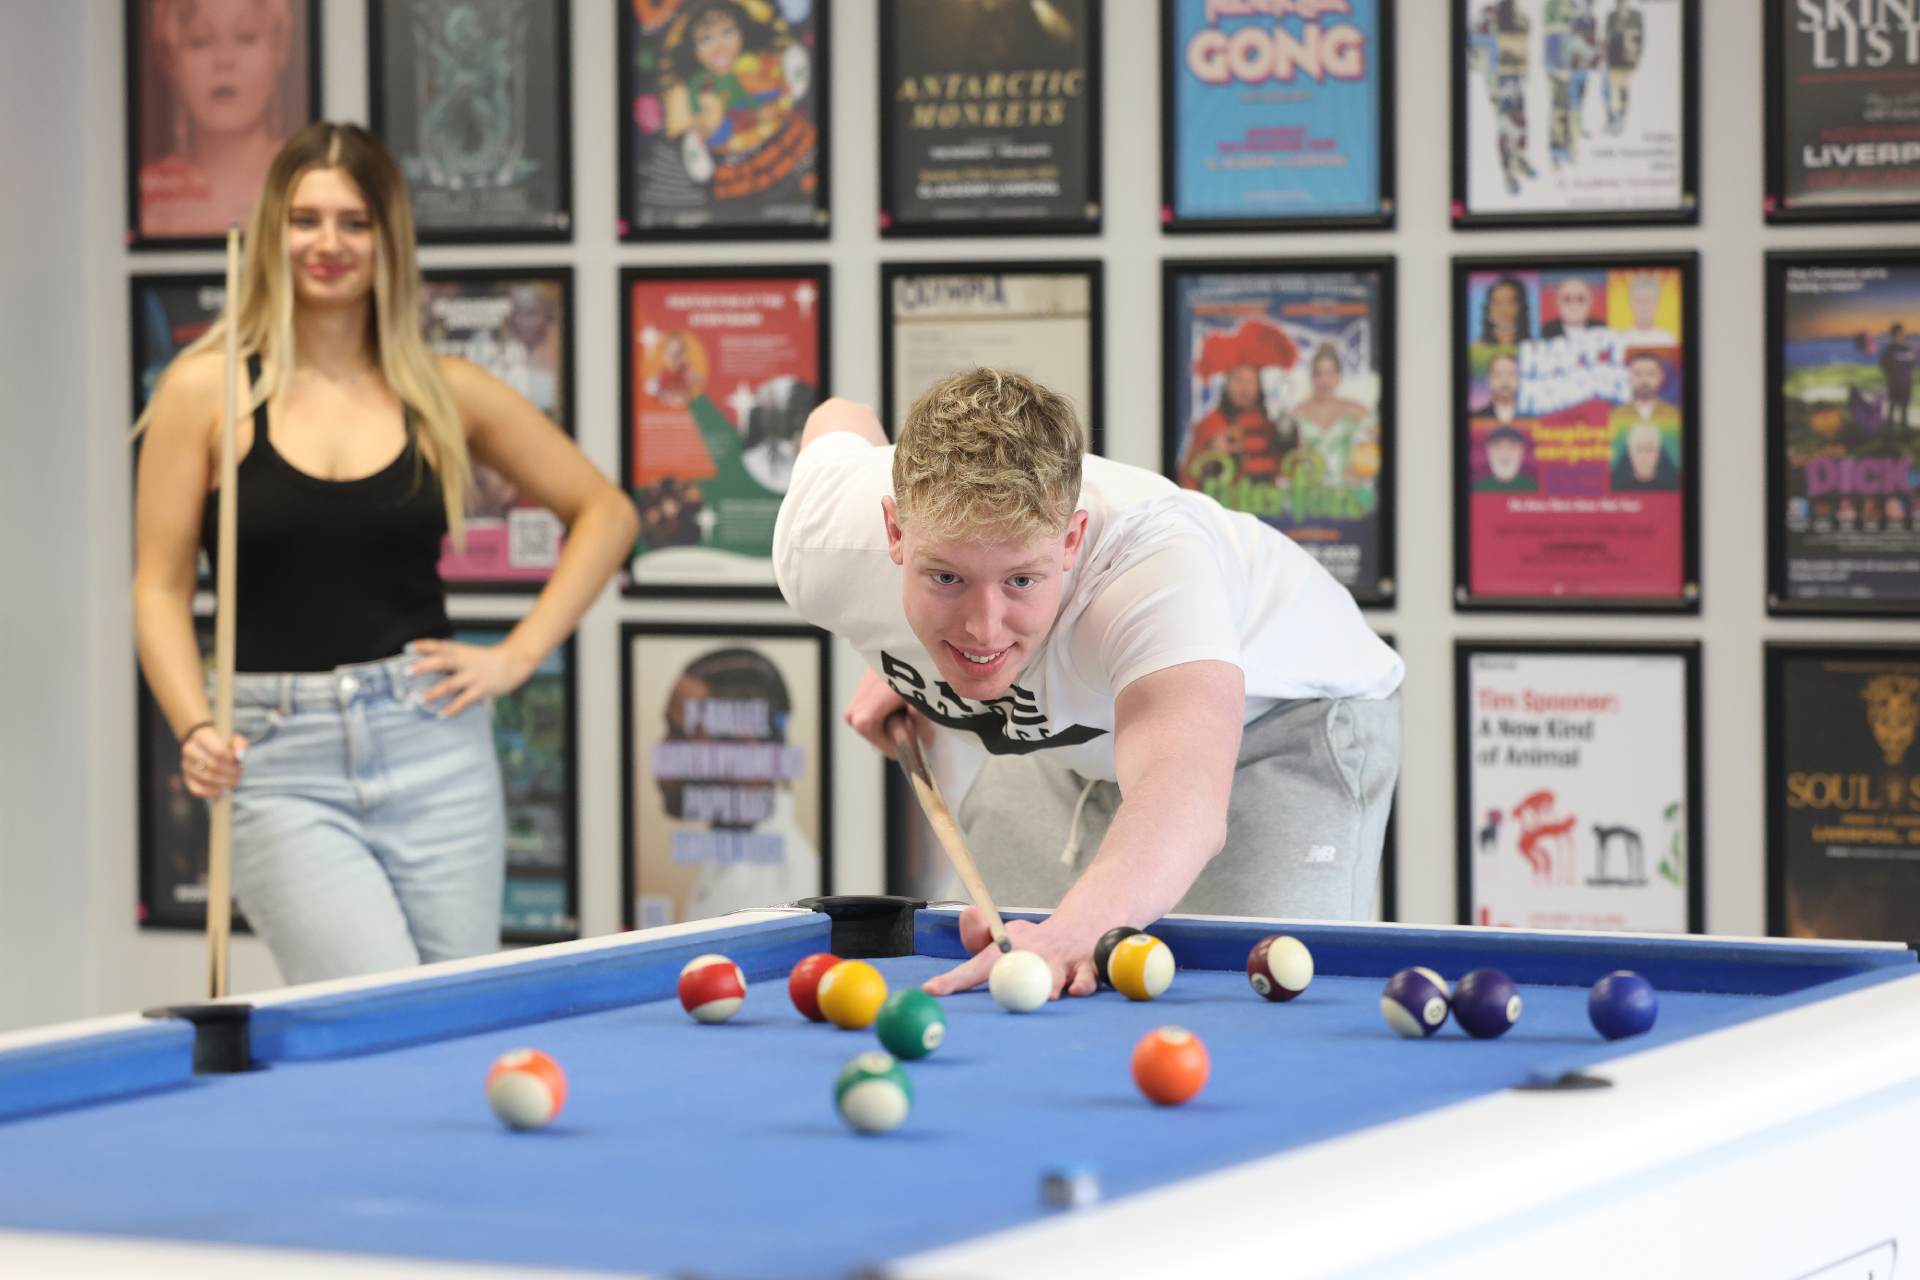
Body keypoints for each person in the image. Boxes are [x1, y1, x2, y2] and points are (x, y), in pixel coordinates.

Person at [133, 123, 638, 986]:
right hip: (275, 754)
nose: (328, 243)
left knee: (452, 1021)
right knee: (369, 1015)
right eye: (304, 219)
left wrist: (516, 657)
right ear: (270, 235)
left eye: (354, 222)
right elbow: (157, 588)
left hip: (431, 742)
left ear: (387, 239)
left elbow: (606, 513)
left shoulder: (444, 389)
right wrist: (195, 726)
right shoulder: (204, 389)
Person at [772, 371, 1403, 1001]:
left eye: (1021, 580)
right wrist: (903, 649)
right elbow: (841, 413)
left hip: (1275, 729)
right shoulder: (824, 538)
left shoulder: (1153, 571)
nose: (983, 627)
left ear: (1071, 540)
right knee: (997, 972)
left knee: (1253, 1002)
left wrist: (1077, 929)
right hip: (1063, 736)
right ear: (894, 534)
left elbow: (1181, 791)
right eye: (946, 578)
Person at [139, 0, 303, 238]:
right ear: (171, 59)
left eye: (246, 37)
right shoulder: (151, 191)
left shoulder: (307, 180)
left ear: (279, 49)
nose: (224, 60)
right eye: (200, 41)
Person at [1293, 343, 1376, 486]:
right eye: (1319, 374)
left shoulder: (1353, 409)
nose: (1324, 381)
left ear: (1338, 377)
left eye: (1330, 373)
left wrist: (1361, 470)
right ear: (1312, 377)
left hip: (1346, 493)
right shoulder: (1298, 412)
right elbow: (1288, 456)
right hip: (1309, 494)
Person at [1607, 353, 1681, 486]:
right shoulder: (1614, 416)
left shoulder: (1675, 416)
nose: (1644, 380)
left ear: (1661, 377)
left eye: (1650, 374)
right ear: (1628, 378)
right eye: (1637, 374)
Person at [1881, 322, 1916, 433]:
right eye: (1896, 334)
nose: (1899, 336)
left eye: (1900, 333)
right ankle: (1889, 433)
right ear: (1892, 335)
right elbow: (1884, 365)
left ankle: (1904, 432)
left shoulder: (1907, 348)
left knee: (1904, 410)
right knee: (1892, 408)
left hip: (1906, 383)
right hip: (1894, 383)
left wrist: (1910, 358)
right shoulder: (1889, 349)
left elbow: (1913, 364)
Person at [1479, 277, 1533, 348]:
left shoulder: (1533, 347)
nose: (1504, 310)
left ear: (1522, 306)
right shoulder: (1477, 347)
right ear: (1488, 308)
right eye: (1497, 303)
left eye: (1510, 302)